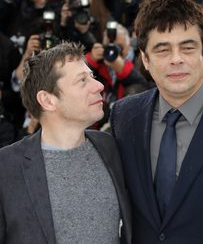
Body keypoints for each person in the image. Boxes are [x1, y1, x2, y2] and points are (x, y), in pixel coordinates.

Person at [110, 0, 203, 243]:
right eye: (162, 50)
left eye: (187, 47)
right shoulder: (124, 117)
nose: (176, 59)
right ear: (145, 58)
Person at [0, 42, 131, 244]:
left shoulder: (110, 147)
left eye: (92, 77)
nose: (99, 86)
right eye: (82, 80)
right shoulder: (6, 167)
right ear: (48, 100)